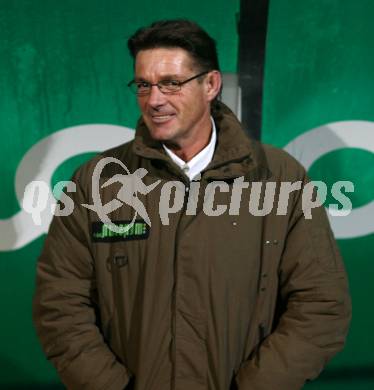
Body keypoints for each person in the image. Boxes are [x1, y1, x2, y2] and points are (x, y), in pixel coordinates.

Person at [33, 19, 351, 390]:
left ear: (211, 85)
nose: (154, 100)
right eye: (143, 85)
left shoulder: (281, 178)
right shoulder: (96, 182)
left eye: (171, 83)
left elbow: (321, 307)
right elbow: (60, 307)